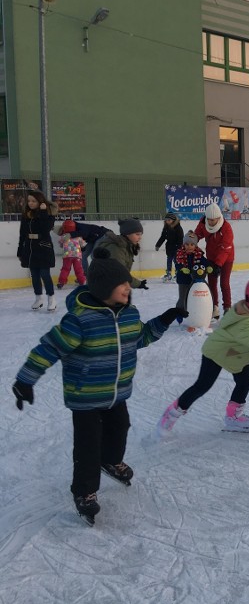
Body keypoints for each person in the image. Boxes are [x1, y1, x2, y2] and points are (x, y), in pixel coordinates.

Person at [11, 247, 182, 522]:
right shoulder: (80, 320)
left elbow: (141, 338)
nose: (128, 288)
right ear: (103, 288)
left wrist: (163, 320)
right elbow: (49, 349)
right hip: (85, 396)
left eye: (128, 283)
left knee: (120, 429)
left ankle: (111, 461)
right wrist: (25, 380)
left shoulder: (128, 314)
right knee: (88, 446)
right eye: (122, 284)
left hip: (117, 394)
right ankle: (85, 491)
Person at [157, 276, 249, 435]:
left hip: (235, 354)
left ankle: (233, 418)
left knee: (244, 382)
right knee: (202, 386)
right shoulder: (247, 323)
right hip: (218, 352)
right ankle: (171, 414)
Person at [17, 190, 58, 312]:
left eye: (33, 201)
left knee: (44, 274)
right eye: (29, 201)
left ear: (40, 202)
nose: (30, 203)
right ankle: (38, 298)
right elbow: (22, 234)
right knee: (34, 274)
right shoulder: (26, 215)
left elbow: (45, 229)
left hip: (43, 247)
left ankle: (51, 299)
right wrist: (20, 250)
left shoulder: (49, 214)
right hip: (30, 248)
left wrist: (44, 212)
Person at [195, 203, 235, 319]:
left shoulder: (226, 228)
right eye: (210, 220)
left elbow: (226, 248)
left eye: (214, 220)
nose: (211, 222)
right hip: (211, 257)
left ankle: (227, 308)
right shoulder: (203, 222)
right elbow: (198, 234)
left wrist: (218, 264)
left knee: (224, 283)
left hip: (226, 258)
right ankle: (214, 307)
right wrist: (191, 240)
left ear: (219, 217)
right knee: (211, 283)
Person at [93, 218, 148, 291]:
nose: (140, 237)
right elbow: (119, 272)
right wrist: (137, 283)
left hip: (111, 285)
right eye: (137, 234)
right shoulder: (116, 248)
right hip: (104, 288)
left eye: (141, 234)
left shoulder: (125, 246)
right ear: (127, 234)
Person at [174, 231, 212, 327]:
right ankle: (179, 313)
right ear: (184, 244)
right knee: (183, 298)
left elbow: (205, 262)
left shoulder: (199, 255)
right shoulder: (179, 254)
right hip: (183, 280)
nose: (189, 247)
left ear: (195, 245)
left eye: (192, 244)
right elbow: (177, 264)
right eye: (187, 244)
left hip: (195, 282)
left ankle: (197, 313)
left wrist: (208, 267)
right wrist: (182, 268)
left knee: (194, 299)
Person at [56, 219, 86, 289]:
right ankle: (82, 281)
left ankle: (61, 282)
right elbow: (83, 245)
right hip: (77, 256)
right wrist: (82, 248)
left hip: (67, 256)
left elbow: (60, 245)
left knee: (65, 269)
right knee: (79, 269)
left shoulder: (63, 237)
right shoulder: (78, 237)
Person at [154, 212, 184, 282]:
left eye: (169, 220)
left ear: (173, 220)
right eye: (166, 220)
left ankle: (177, 274)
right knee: (169, 261)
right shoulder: (166, 228)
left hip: (177, 248)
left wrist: (179, 248)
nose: (167, 222)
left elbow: (180, 239)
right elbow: (163, 237)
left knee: (176, 261)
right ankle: (169, 274)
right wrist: (158, 245)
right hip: (169, 248)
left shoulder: (178, 228)